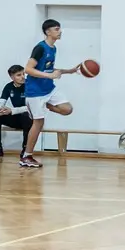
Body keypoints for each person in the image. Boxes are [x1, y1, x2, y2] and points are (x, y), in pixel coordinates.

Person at [19, 18, 76, 169]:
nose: (60, 31)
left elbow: (48, 68)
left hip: (49, 89)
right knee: (38, 123)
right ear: (48, 32)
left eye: (59, 28)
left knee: (67, 109)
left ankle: (48, 105)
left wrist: (68, 71)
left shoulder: (53, 48)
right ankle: (26, 156)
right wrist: (49, 76)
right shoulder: (40, 48)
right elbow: (28, 69)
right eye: (57, 29)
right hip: (35, 92)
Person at [0, 64, 33, 158]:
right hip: (17, 118)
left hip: (31, 119)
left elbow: (32, 107)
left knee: (25, 115)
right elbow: (1, 102)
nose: (22, 77)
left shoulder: (30, 86)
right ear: (12, 77)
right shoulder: (9, 87)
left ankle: (26, 149)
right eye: (19, 75)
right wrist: (1, 110)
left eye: (23, 74)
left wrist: (12, 110)